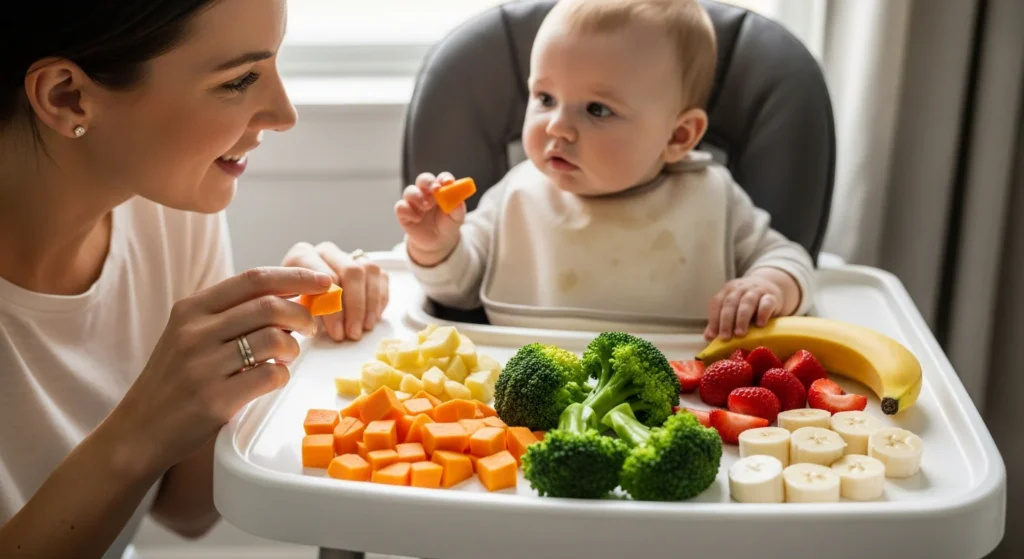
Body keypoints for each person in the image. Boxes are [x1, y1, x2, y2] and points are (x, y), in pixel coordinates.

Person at [0, 1, 389, 557]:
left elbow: (188, 511)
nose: (284, 114)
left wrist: (269, 335)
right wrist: (137, 432)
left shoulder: (169, 207)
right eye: (240, 80)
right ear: (67, 96)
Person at [396, 0, 814, 340]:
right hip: (519, 401)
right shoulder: (518, 192)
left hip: (685, 391)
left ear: (679, 137)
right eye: (544, 98)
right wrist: (437, 248)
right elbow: (457, 292)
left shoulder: (711, 196)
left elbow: (789, 259)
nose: (556, 125)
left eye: (597, 109)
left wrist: (768, 286)